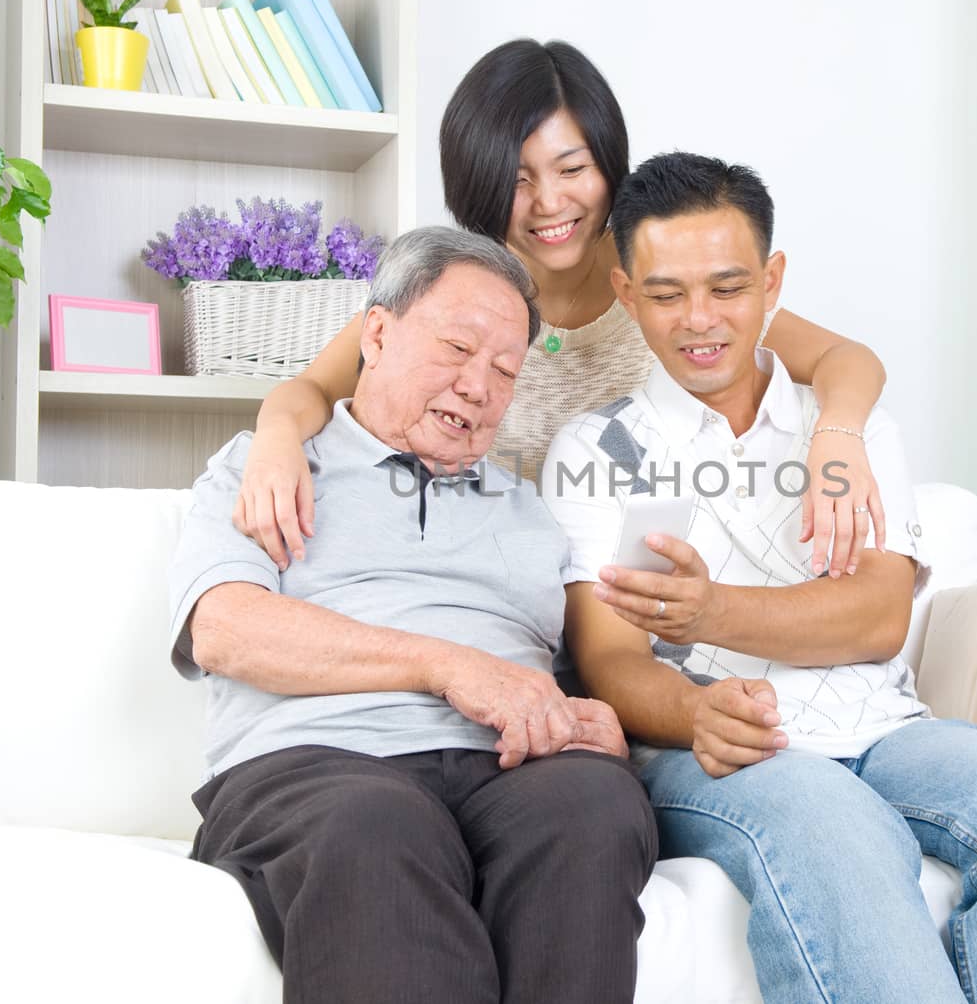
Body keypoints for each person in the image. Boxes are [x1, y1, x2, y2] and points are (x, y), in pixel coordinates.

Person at [543, 152, 977, 1003]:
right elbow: (613, 661)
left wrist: (713, 608)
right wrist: (695, 709)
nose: (700, 320)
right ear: (627, 293)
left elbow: (875, 620)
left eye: (728, 287)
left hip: (885, 728)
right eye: (667, 294)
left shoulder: (847, 432)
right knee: (837, 827)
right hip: (719, 753)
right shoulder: (606, 453)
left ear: (772, 281)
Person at [168, 226, 658, 1004]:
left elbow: (582, 674)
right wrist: (444, 665)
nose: (479, 387)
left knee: (594, 804)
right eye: (457, 349)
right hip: (320, 764)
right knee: (374, 826)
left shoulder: (534, 513)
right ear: (377, 333)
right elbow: (226, 631)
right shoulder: (269, 464)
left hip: (508, 770)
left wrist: (595, 723)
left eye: (505, 370)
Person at [234, 38, 889, 582]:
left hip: (630, 605)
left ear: (609, 165)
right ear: (479, 184)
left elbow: (845, 359)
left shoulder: (660, 282)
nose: (550, 203)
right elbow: (313, 389)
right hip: (494, 593)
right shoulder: (459, 293)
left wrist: (840, 435)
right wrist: (275, 442)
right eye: (517, 180)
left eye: (572, 169)